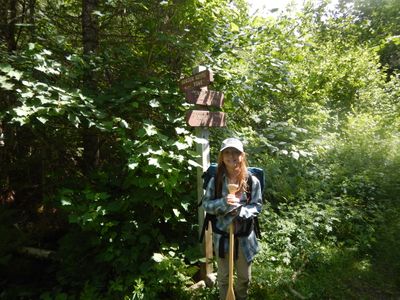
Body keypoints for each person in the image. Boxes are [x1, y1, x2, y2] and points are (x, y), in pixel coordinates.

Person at [203, 137, 262, 300]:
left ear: (242, 155)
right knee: (223, 278)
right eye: (227, 152)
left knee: (244, 278)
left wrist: (240, 211)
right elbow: (207, 204)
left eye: (236, 152)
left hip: (244, 237)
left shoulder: (252, 181)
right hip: (222, 236)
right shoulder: (216, 181)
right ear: (222, 156)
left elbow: (257, 206)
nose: (231, 156)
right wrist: (223, 202)